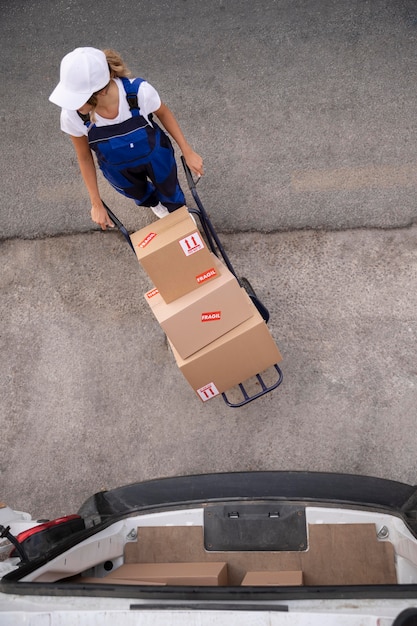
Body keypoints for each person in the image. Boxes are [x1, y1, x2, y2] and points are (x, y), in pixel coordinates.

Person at [49, 47, 203, 230]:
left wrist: (187, 150)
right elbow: (83, 156)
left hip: (156, 155)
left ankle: (177, 212)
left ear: (101, 91)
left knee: (169, 187)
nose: (70, 104)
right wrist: (96, 203)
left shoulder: (138, 93)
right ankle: (156, 204)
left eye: (76, 98)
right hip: (119, 170)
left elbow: (163, 113)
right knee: (139, 193)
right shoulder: (72, 116)